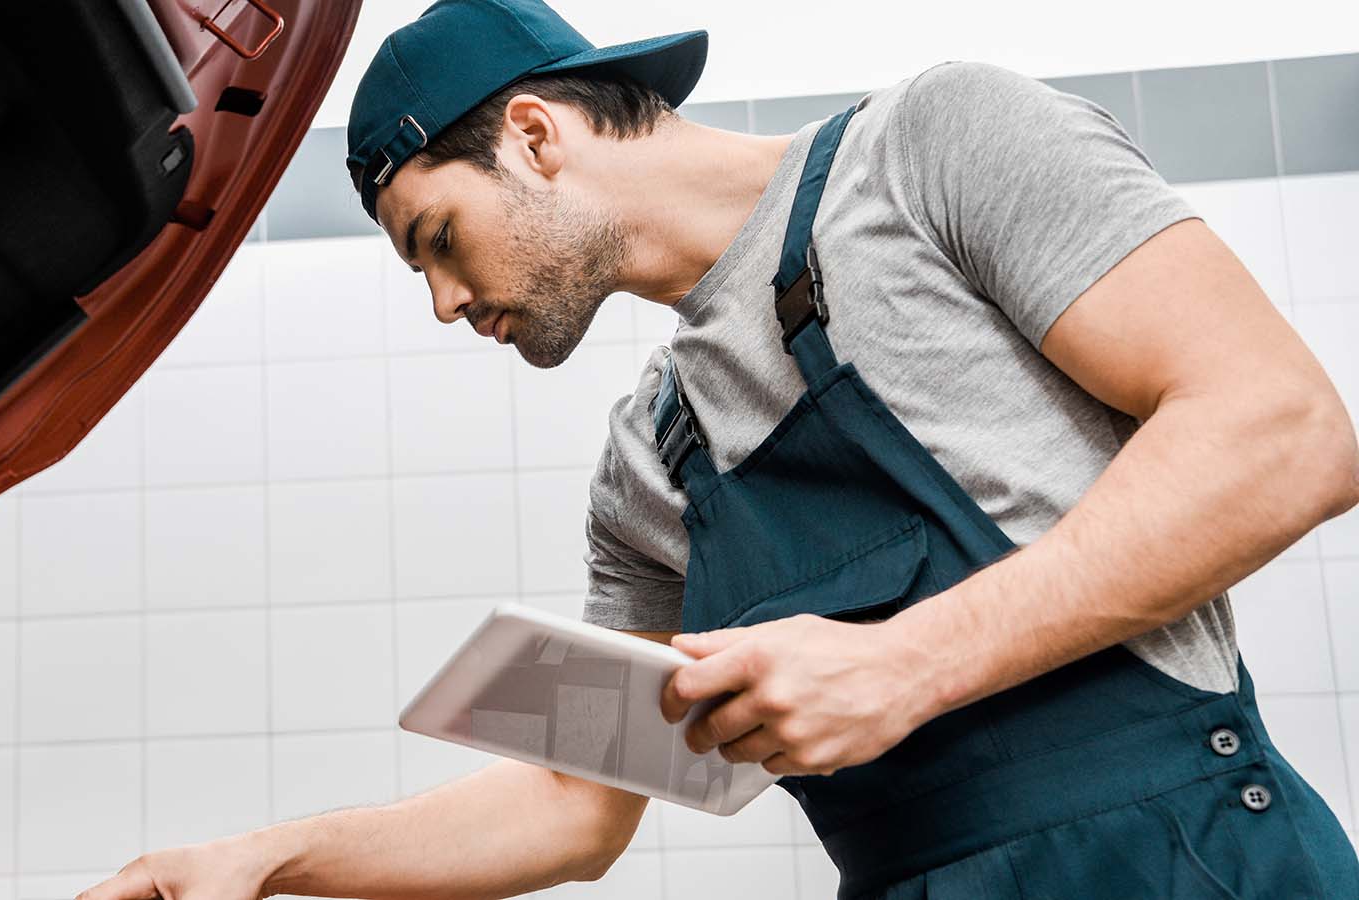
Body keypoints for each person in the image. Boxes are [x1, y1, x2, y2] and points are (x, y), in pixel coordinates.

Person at [81, 1, 1359, 897]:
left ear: (533, 135)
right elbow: (572, 810)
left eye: (439, 240)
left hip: (1185, 863)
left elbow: (1286, 434)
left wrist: (906, 663)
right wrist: (265, 861)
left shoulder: (935, 149)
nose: (445, 306)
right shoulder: (646, 468)